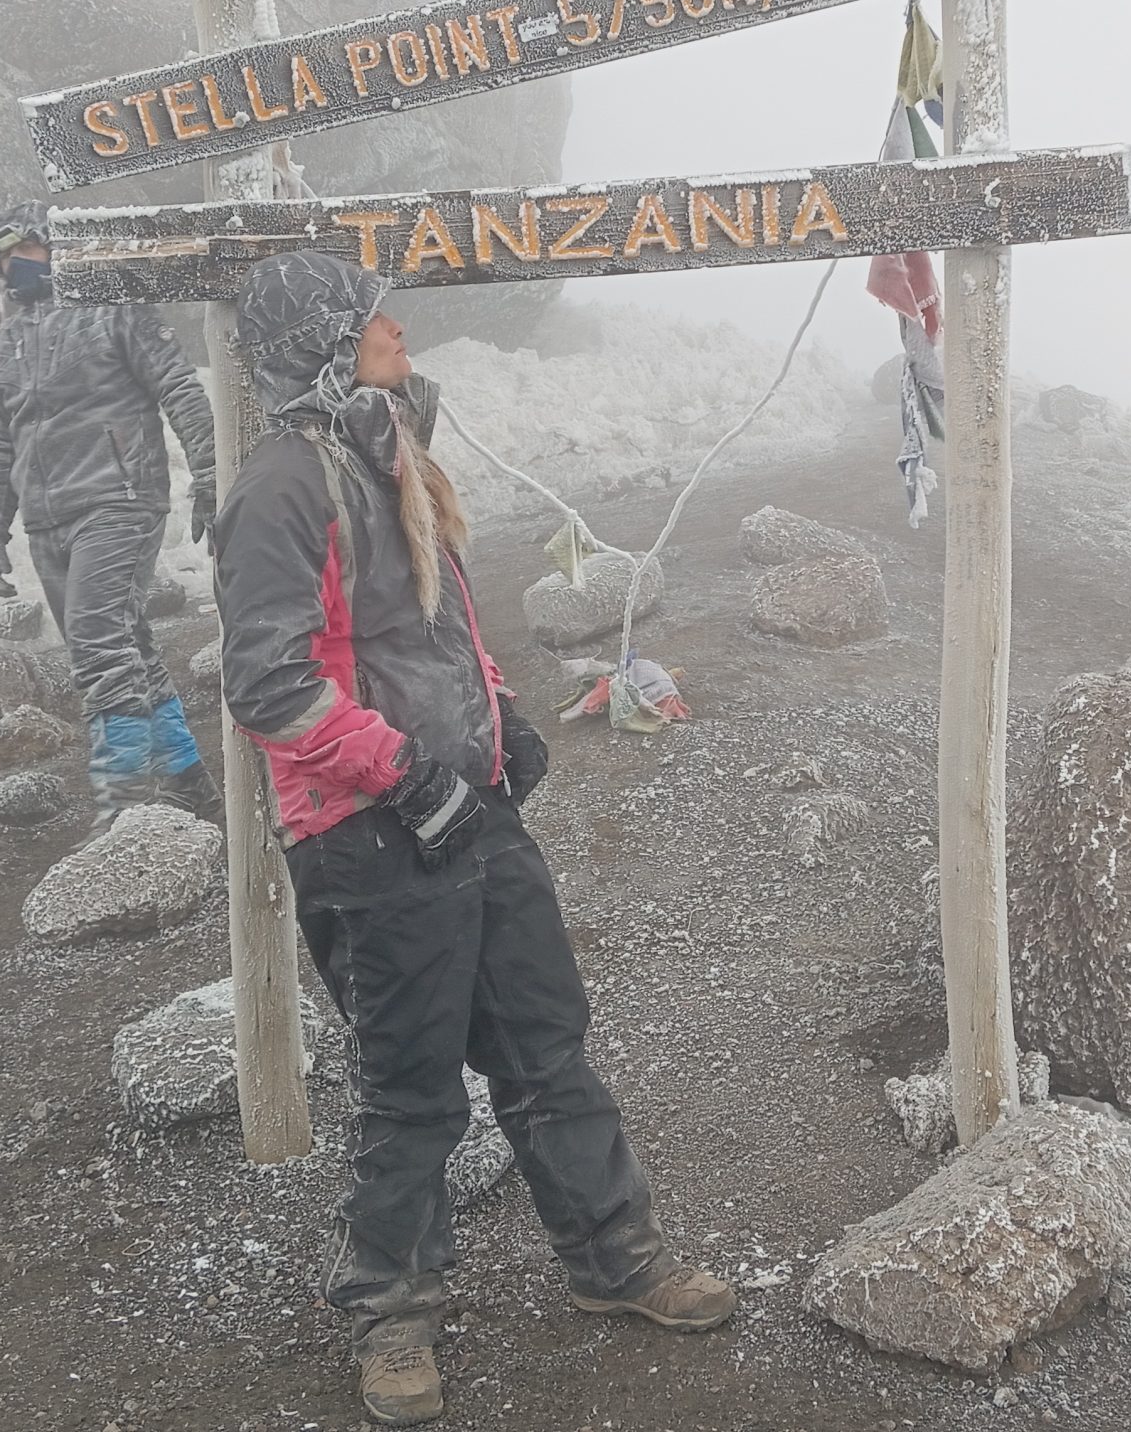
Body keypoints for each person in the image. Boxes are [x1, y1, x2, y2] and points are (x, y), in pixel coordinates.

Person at [212, 251, 733, 1428]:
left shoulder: (387, 448)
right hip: (370, 830)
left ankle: (614, 1258)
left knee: (547, 1040)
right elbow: (269, 685)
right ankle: (391, 1315)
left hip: (466, 802)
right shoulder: (283, 485)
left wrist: (496, 724)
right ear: (323, 345)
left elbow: (432, 628)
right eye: (368, 317)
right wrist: (406, 774)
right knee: (410, 1088)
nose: (396, 328)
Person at [0, 201, 221, 833]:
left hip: (121, 498)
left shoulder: (117, 307)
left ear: (57, 247)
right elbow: (4, 441)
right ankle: (189, 783)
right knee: (127, 642)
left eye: (21, 249)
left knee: (96, 646)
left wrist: (212, 474)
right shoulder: (1, 343)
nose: (10, 265)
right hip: (46, 521)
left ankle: (123, 808)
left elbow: (179, 387)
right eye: (1, 257)